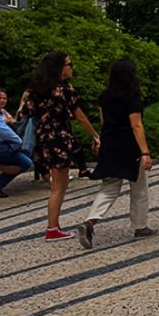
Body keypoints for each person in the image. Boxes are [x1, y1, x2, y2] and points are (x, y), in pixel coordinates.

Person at [76, 58, 156, 249]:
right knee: (139, 188)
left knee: (109, 187)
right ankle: (140, 226)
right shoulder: (132, 96)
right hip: (129, 146)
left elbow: (104, 121)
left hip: (110, 144)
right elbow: (136, 125)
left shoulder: (104, 96)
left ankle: (90, 221)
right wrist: (145, 152)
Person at [21, 52, 101, 241]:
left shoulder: (37, 90)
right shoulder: (63, 90)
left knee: (58, 185)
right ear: (59, 68)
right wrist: (95, 135)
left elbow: (25, 112)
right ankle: (52, 228)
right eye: (69, 64)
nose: (71, 68)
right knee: (59, 186)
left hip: (44, 139)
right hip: (59, 138)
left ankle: (53, 227)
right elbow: (80, 116)